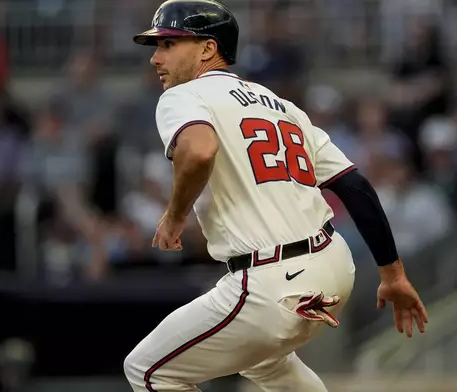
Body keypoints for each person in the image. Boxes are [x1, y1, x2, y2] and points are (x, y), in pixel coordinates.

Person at [123, 1, 428, 391]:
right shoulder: (283, 108)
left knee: (147, 370)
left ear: (207, 49)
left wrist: (175, 214)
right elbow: (355, 185)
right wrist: (394, 275)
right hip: (333, 269)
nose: (155, 58)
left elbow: (198, 151)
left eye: (168, 44)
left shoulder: (183, 96)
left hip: (270, 282)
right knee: (266, 363)